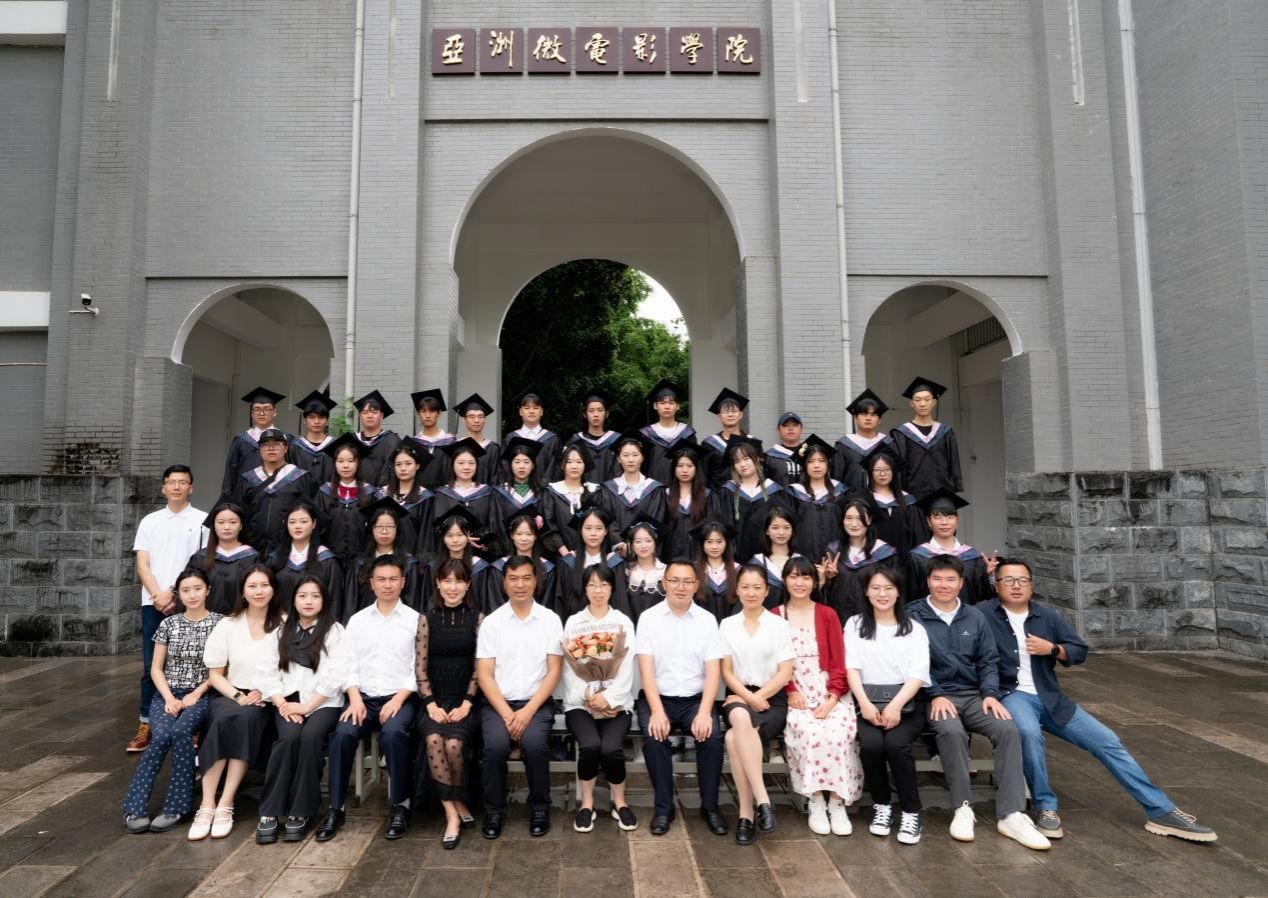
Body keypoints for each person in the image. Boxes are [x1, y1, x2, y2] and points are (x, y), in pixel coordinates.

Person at [981, 559, 1218, 843]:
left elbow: (1079, 651)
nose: (1016, 586)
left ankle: (1160, 811)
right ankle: (1046, 807)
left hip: (1051, 698)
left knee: (1107, 741)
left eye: (1023, 580)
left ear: (1032, 586)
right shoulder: (982, 615)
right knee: (1030, 735)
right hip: (1012, 695)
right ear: (996, 585)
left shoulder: (1048, 616)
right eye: (1008, 580)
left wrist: (1053, 649)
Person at [907, 555, 1051, 849]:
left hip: (974, 696)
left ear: (961, 583)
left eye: (950, 579)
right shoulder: (913, 615)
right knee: (951, 731)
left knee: (1008, 730)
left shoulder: (974, 616)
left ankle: (1011, 814)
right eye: (937, 579)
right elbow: (911, 663)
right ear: (927, 581)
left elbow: (988, 660)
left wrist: (990, 694)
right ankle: (962, 807)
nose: (944, 585)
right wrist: (935, 694)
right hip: (933, 696)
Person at [317, 554, 420, 843]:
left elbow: (418, 668)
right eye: (381, 579)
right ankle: (336, 808)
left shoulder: (415, 620)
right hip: (361, 698)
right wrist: (354, 698)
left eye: (393, 579)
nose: (387, 585)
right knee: (342, 735)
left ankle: (400, 805)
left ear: (403, 582)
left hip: (400, 698)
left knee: (394, 734)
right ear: (371, 583)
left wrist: (398, 700)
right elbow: (347, 663)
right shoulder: (358, 621)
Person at [122, 569, 222, 834]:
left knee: (180, 732)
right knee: (161, 737)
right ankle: (135, 807)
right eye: (186, 590)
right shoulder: (168, 624)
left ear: (208, 590)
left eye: (198, 589)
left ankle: (177, 806)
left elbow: (221, 670)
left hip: (202, 693)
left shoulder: (220, 624)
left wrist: (196, 693)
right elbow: (156, 668)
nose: (192, 595)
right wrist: (168, 697)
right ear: (178, 594)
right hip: (167, 693)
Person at [192, 564, 285, 840]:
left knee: (244, 719)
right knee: (224, 718)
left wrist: (262, 692)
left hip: (267, 697)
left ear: (273, 589)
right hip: (231, 692)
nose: (259, 591)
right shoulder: (228, 624)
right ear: (243, 592)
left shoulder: (284, 623)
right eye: (252, 586)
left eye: (264, 585)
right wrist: (238, 696)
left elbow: (290, 670)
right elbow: (215, 675)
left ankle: (226, 801)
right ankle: (207, 803)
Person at [635, 558, 727, 837]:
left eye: (687, 581)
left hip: (695, 700)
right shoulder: (649, 618)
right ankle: (664, 808)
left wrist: (705, 712)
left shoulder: (707, 621)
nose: (680, 587)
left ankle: (710, 807)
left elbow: (713, 672)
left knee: (712, 738)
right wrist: (657, 711)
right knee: (655, 738)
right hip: (658, 698)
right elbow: (646, 670)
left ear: (697, 585)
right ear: (664, 583)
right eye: (674, 580)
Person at [255, 575, 348, 844]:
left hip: (323, 702)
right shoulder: (281, 632)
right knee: (288, 738)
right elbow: (266, 672)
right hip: (287, 701)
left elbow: (336, 674)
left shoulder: (334, 631)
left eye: (315, 596)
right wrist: (282, 704)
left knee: (310, 738)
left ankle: (301, 810)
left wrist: (308, 706)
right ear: (294, 600)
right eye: (303, 596)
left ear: (324, 600)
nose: (309, 601)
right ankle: (270, 811)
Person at [475, 556, 565, 839]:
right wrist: (507, 714)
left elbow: (554, 671)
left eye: (526, 578)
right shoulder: (492, 622)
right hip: (497, 704)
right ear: (504, 583)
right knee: (495, 747)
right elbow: (485, 674)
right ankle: (493, 810)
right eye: (513, 579)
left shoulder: (550, 620)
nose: (520, 585)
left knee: (535, 745)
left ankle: (540, 807)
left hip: (536, 704)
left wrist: (527, 712)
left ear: (535, 581)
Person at [775, 557, 863, 838]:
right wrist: (790, 691)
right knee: (810, 733)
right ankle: (815, 800)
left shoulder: (827, 614)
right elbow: (773, 664)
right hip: (796, 692)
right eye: (793, 576)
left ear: (815, 582)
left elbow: (839, 662)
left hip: (829, 691)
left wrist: (833, 697)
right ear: (784, 580)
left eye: (806, 577)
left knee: (839, 733)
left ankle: (837, 802)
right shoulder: (775, 616)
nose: (799, 583)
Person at [844, 566, 930, 845]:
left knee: (896, 745)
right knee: (871, 746)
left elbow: (918, 674)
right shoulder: (855, 624)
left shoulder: (914, 629)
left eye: (888, 588)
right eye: (876, 588)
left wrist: (894, 706)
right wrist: (865, 705)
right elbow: (851, 668)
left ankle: (911, 811)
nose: (882, 594)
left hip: (906, 703)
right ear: (867, 591)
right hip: (865, 702)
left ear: (899, 592)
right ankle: (882, 805)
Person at [130, 464, 207, 751]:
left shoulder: (203, 521)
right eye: (171, 482)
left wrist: (175, 593)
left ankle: (193, 723)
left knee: (194, 663)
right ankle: (146, 723)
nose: (176, 486)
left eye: (182, 482)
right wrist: (158, 595)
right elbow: (142, 563)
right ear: (163, 488)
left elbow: (200, 564)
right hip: (153, 603)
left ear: (191, 487)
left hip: (189, 602)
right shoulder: (150, 521)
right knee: (152, 664)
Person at [719, 564, 794, 844]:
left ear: (767, 591)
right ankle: (763, 801)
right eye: (745, 587)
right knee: (740, 717)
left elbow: (785, 673)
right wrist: (749, 697)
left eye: (757, 587)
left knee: (732, 738)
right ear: (737, 590)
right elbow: (727, 672)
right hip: (738, 694)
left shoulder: (779, 625)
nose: (751, 593)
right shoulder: (727, 625)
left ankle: (746, 814)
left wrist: (759, 696)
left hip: (773, 698)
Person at [562, 564, 638, 834]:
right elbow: (569, 668)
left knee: (611, 748)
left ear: (611, 588)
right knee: (591, 745)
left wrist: (608, 697)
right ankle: (587, 803)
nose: (598, 590)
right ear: (585, 589)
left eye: (603, 584)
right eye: (592, 584)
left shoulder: (622, 622)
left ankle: (620, 802)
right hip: (580, 704)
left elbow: (627, 667)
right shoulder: (574, 623)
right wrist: (588, 695)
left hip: (616, 703)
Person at [416, 558, 483, 849]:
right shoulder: (427, 618)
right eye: (447, 581)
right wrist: (430, 704)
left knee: (454, 744)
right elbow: (420, 668)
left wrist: (467, 703)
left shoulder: (478, 619)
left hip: (466, 701)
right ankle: (452, 813)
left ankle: (457, 800)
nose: (452, 587)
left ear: (467, 585)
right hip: (434, 700)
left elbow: (480, 667)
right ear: (438, 584)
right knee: (433, 739)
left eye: (459, 581)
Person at [235, 427, 316, 558]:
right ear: (260, 449)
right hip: (252, 549)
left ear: (286, 448)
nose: (271, 448)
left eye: (277, 444)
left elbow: (311, 514)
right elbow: (238, 515)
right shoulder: (248, 479)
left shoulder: (300, 478)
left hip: (288, 551)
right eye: (266, 444)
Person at [906, 490, 996, 605]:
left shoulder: (972, 557)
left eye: (950, 517)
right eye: (937, 517)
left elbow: (984, 597)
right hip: (927, 615)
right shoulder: (917, 557)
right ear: (929, 522)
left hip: (966, 615)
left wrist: (990, 577)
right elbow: (910, 596)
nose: (944, 522)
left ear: (957, 521)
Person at [345, 498, 427, 619]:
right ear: (371, 529)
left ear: (397, 529)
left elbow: (413, 603)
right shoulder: (360, 563)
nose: (384, 531)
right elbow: (350, 605)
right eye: (379, 526)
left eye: (390, 526)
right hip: (366, 624)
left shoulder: (409, 564)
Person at [821, 498, 897, 623]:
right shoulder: (833, 551)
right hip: (838, 620)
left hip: (872, 620)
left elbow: (893, 589)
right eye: (849, 518)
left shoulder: (884, 553)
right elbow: (824, 593)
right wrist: (828, 579)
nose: (854, 524)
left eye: (860, 518)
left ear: (869, 520)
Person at [889, 377, 963, 498]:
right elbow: (899, 469)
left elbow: (953, 463)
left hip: (942, 494)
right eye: (917, 400)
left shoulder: (945, 432)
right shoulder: (902, 433)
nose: (922, 404)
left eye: (927, 399)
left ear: (934, 402)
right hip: (913, 495)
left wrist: (955, 486)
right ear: (911, 403)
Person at [718, 436, 788, 563]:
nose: (742, 465)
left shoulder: (774, 490)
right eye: (737, 461)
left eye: (746, 459)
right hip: (737, 557)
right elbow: (725, 526)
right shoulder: (728, 491)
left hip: (768, 556)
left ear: (757, 459)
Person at [188, 498, 260, 615]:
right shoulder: (200, 558)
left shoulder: (253, 558)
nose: (226, 527)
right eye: (221, 522)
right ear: (214, 526)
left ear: (241, 526)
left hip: (243, 619)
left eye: (233, 522)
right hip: (205, 620)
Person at [271, 499, 343, 611]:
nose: (297, 526)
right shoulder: (276, 558)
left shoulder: (327, 560)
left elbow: (335, 599)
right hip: (280, 619)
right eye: (292, 522)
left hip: (317, 620)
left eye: (303, 521)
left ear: (314, 524)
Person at [597, 433, 667, 547]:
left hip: (645, 549)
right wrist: (619, 543)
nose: (630, 460)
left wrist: (639, 544)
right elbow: (608, 521)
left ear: (642, 457)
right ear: (619, 459)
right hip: (617, 551)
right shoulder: (608, 490)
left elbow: (654, 520)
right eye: (626, 455)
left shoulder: (654, 490)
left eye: (635, 455)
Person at [316, 433, 377, 564]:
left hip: (361, 561)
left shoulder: (370, 493)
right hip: (330, 560)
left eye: (350, 461)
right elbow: (317, 528)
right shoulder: (324, 492)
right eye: (340, 461)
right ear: (334, 463)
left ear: (358, 463)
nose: (345, 466)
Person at [430, 438, 497, 556]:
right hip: (450, 554)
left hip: (481, 555)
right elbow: (438, 527)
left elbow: (492, 523)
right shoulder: (443, 494)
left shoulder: (487, 492)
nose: (466, 467)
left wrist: (482, 538)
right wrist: (461, 539)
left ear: (477, 465)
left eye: (471, 463)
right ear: (453, 465)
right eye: (461, 463)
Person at [556, 507, 627, 617]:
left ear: (606, 531)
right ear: (580, 530)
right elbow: (560, 602)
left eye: (599, 528)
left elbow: (621, 602)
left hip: (608, 625)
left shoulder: (615, 563)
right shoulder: (569, 563)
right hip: (576, 625)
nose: (593, 533)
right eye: (588, 528)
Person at [788, 435, 848, 562]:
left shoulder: (841, 491)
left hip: (835, 557)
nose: (816, 465)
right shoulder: (794, 492)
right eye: (811, 461)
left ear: (828, 464)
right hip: (803, 556)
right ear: (805, 465)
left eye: (821, 460)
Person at [853, 447, 924, 552]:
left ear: (893, 472)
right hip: (871, 558)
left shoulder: (908, 501)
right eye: (877, 470)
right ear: (870, 472)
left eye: (887, 469)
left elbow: (918, 537)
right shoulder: (862, 500)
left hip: (904, 558)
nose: (882, 474)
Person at [221, 386, 289, 496]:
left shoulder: (286, 440)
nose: (261, 413)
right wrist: (227, 499)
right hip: (246, 497)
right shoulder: (241, 440)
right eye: (257, 409)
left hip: (279, 497)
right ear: (252, 413)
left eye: (267, 409)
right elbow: (230, 473)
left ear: (274, 412)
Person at [539, 443, 599, 557]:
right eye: (569, 462)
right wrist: (566, 554)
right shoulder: (552, 492)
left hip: (592, 556)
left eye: (579, 462)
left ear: (585, 465)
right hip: (561, 557)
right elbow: (548, 527)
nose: (574, 466)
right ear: (562, 465)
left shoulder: (595, 491)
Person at [659, 443, 714, 561]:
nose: (685, 470)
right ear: (674, 468)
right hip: (671, 556)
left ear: (696, 468)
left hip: (699, 556)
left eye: (690, 466)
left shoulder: (708, 496)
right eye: (680, 465)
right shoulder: (664, 495)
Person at [833, 389, 894, 491]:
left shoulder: (888, 444)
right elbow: (836, 477)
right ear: (855, 418)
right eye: (864, 414)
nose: (868, 418)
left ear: (879, 420)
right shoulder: (843, 445)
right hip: (851, 498)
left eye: (873, 415)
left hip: (881, 497)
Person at [639, 379, 697, 484]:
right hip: (653, 488)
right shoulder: (646, 434)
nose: (667, 407)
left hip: (681, 488)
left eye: (671, 403)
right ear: (655, 406)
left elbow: (694, 463)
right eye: (662, 403)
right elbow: (642, 465)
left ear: (677, 406)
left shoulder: (687, 434)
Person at [382, 442, 434, 556]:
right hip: (384, 559)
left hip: (411, 560)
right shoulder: (381, 495)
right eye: (398, 464)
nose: (403, 468)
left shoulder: (425, 498)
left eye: (408, 463)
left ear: (417, 465)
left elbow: (426, 536)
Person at [491, 437, 543, 550]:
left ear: (533, 465)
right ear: (510, 465)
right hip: (507, 550)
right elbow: (496, 524)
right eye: (517, 462)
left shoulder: (542, 493)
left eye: (526, 462)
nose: (521, 466)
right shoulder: (499, 492)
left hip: (535, 550)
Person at [748, 507, 801, 609]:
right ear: (767, 531)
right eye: (775, 528)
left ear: (792, 530)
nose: (781, 532)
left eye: (786, 527)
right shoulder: (756, 563)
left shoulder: (800, 561)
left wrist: (821, 580)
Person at [505, 386, 562, 482]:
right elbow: (505, 468)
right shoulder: (510, 438)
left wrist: (543, 488)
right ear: (520, 412)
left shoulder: (552, 440)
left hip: (545, 490)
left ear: (541, 412)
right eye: (527, 408)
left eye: (536, 408)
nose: (531, 411)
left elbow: (555, 470)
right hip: (516, 490)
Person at [569, 388, 621, 485]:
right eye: (591, 411)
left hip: (611, 491)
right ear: (585, 414)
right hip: (582, 491)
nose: (596, 414)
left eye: (600, 410)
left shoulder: (617, 440)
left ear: (607, 414)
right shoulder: (576, 441)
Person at [700, 387, 750, 488]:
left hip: (746, 494)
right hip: (718, 495)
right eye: (726, 411)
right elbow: (703, 475)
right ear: (719, 416)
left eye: (734, 411)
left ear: (740, 415)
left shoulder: (751, 442)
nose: (730, 414)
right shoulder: (709, 444)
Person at [692, 518, 740, 622]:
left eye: (719, 541)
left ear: (726, 543)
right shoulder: (693, 570)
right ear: (702, 544)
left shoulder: (738, 571)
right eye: (709, 542)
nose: (714, 546)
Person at [352, 390, 402, 486]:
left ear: (381, 416)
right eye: (365, 412)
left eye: (374, 412)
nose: (370, 416)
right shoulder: (352, 441)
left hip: (383, 492)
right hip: (356, 492)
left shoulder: (392, 441)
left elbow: (394, 471)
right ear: (360, 416)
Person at [622, 518, 666, 624]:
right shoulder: (625, 572)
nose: (643, 546)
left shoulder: (666, 572)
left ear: (655, 543)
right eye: (638, 541)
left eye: (648, 541)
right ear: (632, 545)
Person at [410, 388, 456, 489]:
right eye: (423, 411)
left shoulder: (450, 443)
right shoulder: (413, 444)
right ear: (418, 414)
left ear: (439, 413)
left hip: (445, 494)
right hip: (419, 495)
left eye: (432, 411)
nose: (427, 415)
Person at [289, 390, 337, 485]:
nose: (316, 421)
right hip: (301, 493)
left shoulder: (336, 445)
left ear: (327, 420)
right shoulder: (294, 446)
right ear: (305, 420)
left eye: (321, 417)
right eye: (311, 417)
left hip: (330, 493)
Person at [454, 393, 500, 485]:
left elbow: (496, 480)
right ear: (464, 420)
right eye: (471, 417)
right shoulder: (456, 446)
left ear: (485, 419)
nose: (476, 420)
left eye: (480, 416)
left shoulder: (493, 449)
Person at [764, 411, 805, 487]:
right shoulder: (769, 457)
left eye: (795, 425)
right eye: (785, 425)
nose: (791, 429)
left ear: (802, 429)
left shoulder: (810, 453)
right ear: (778, 430)